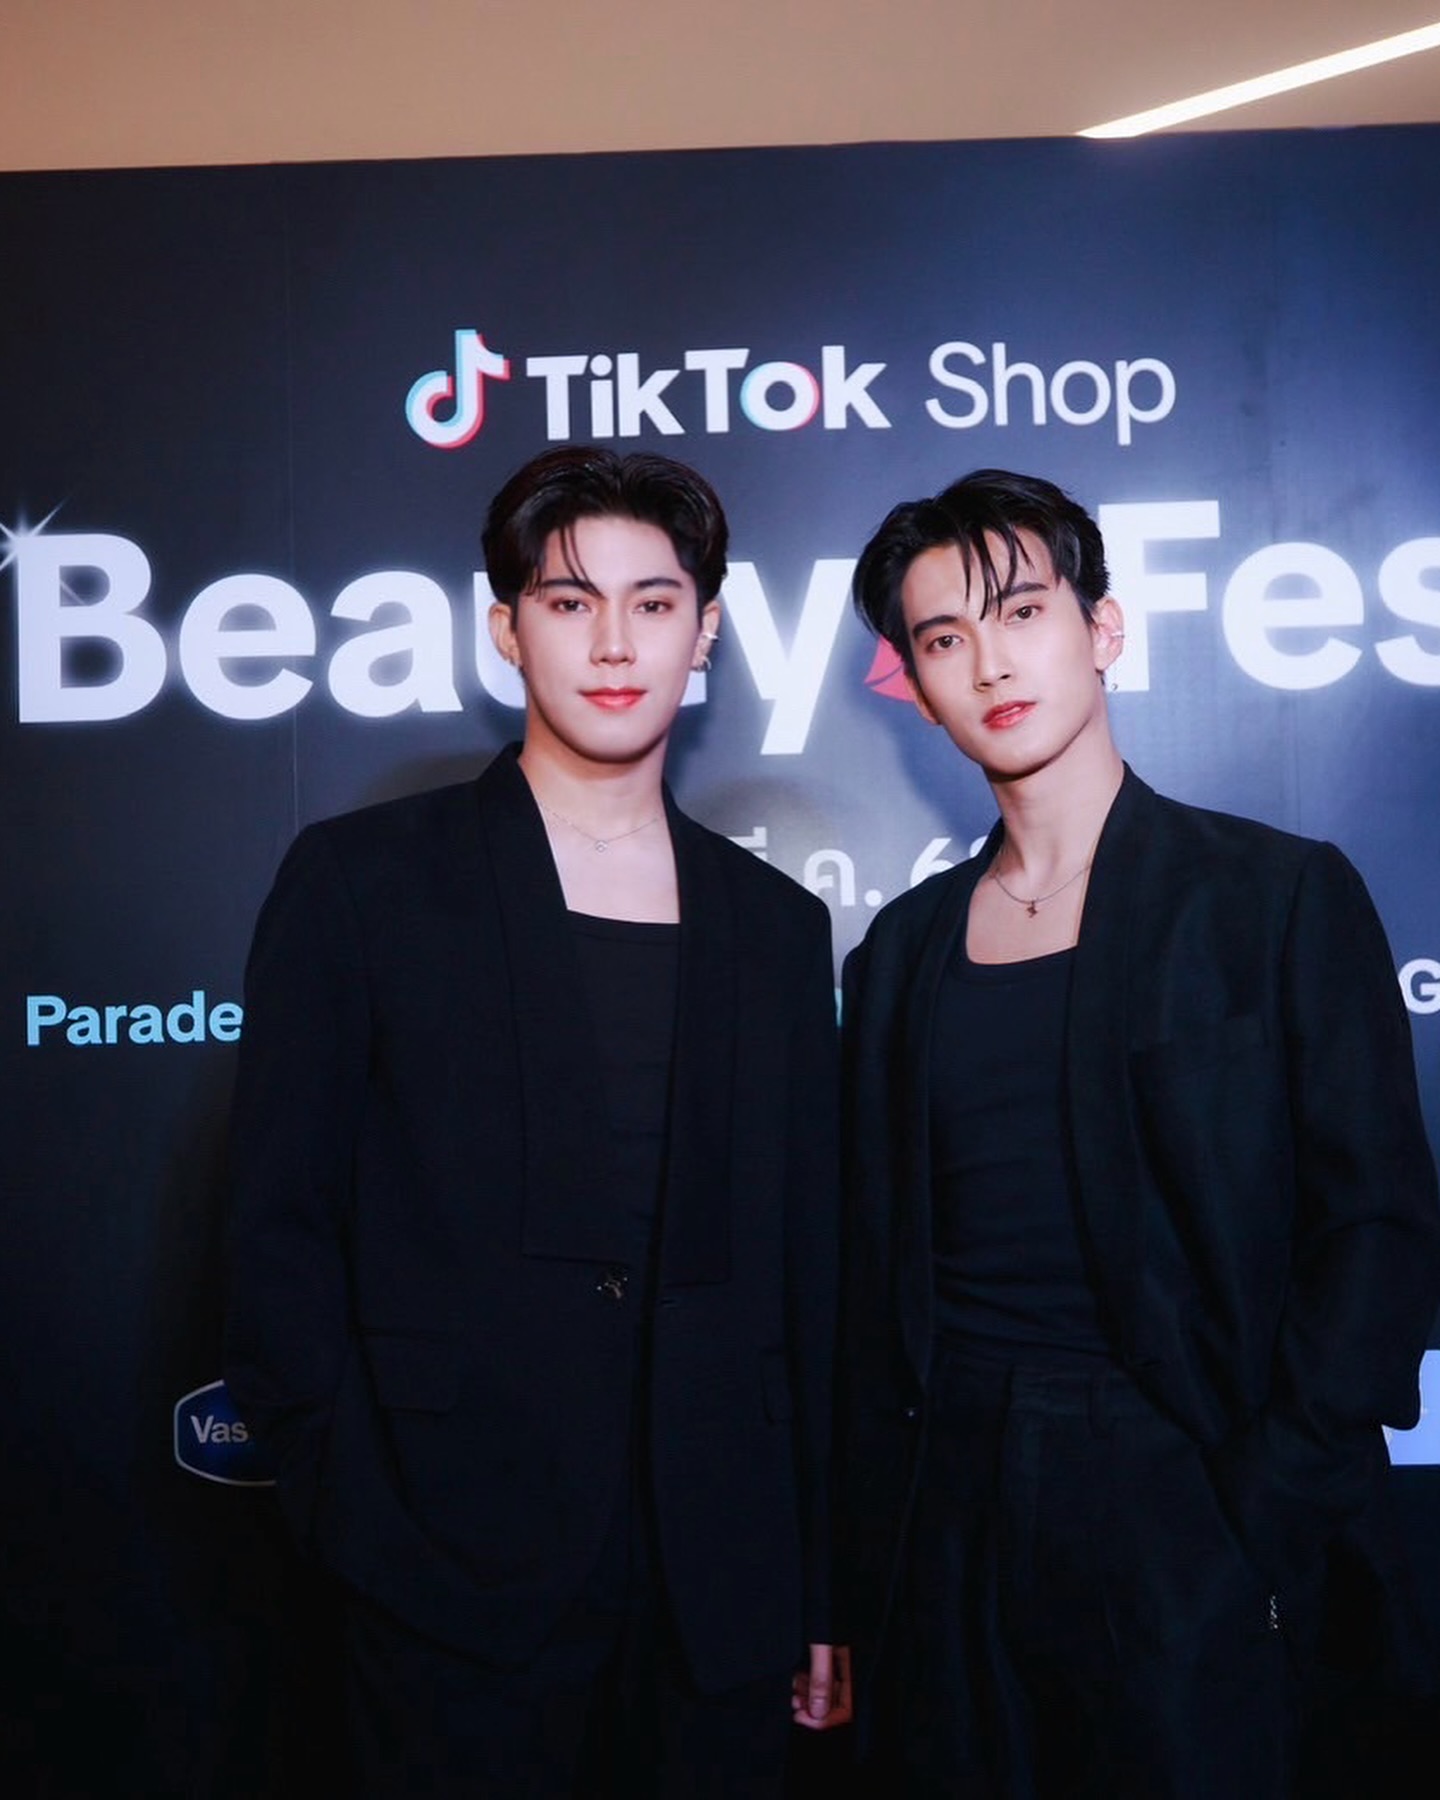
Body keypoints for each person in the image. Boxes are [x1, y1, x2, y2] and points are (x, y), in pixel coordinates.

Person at [224, 445, 848, 1797]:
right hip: (446, 1571)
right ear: (507, 628)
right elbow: (276, 1227)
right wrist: (357, 1514)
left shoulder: (778, 929)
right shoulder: (362, 885)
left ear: (706, 630)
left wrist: (814, 1582)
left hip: (718, 1585)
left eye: (653, 602)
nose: (615, 642)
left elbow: (811, 1278)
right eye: (570, 602)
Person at [838, 467, 1440, 1797]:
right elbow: (868, 1280)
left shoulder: (1272, 897)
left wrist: (1266, 1498)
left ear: (1102, 628)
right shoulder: (899, 953)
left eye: (1021, 611)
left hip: (1185, 1486)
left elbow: (1380, 1228)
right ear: (915, 686)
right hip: (945, 1508)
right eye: (943, 638)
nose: (990, 662)